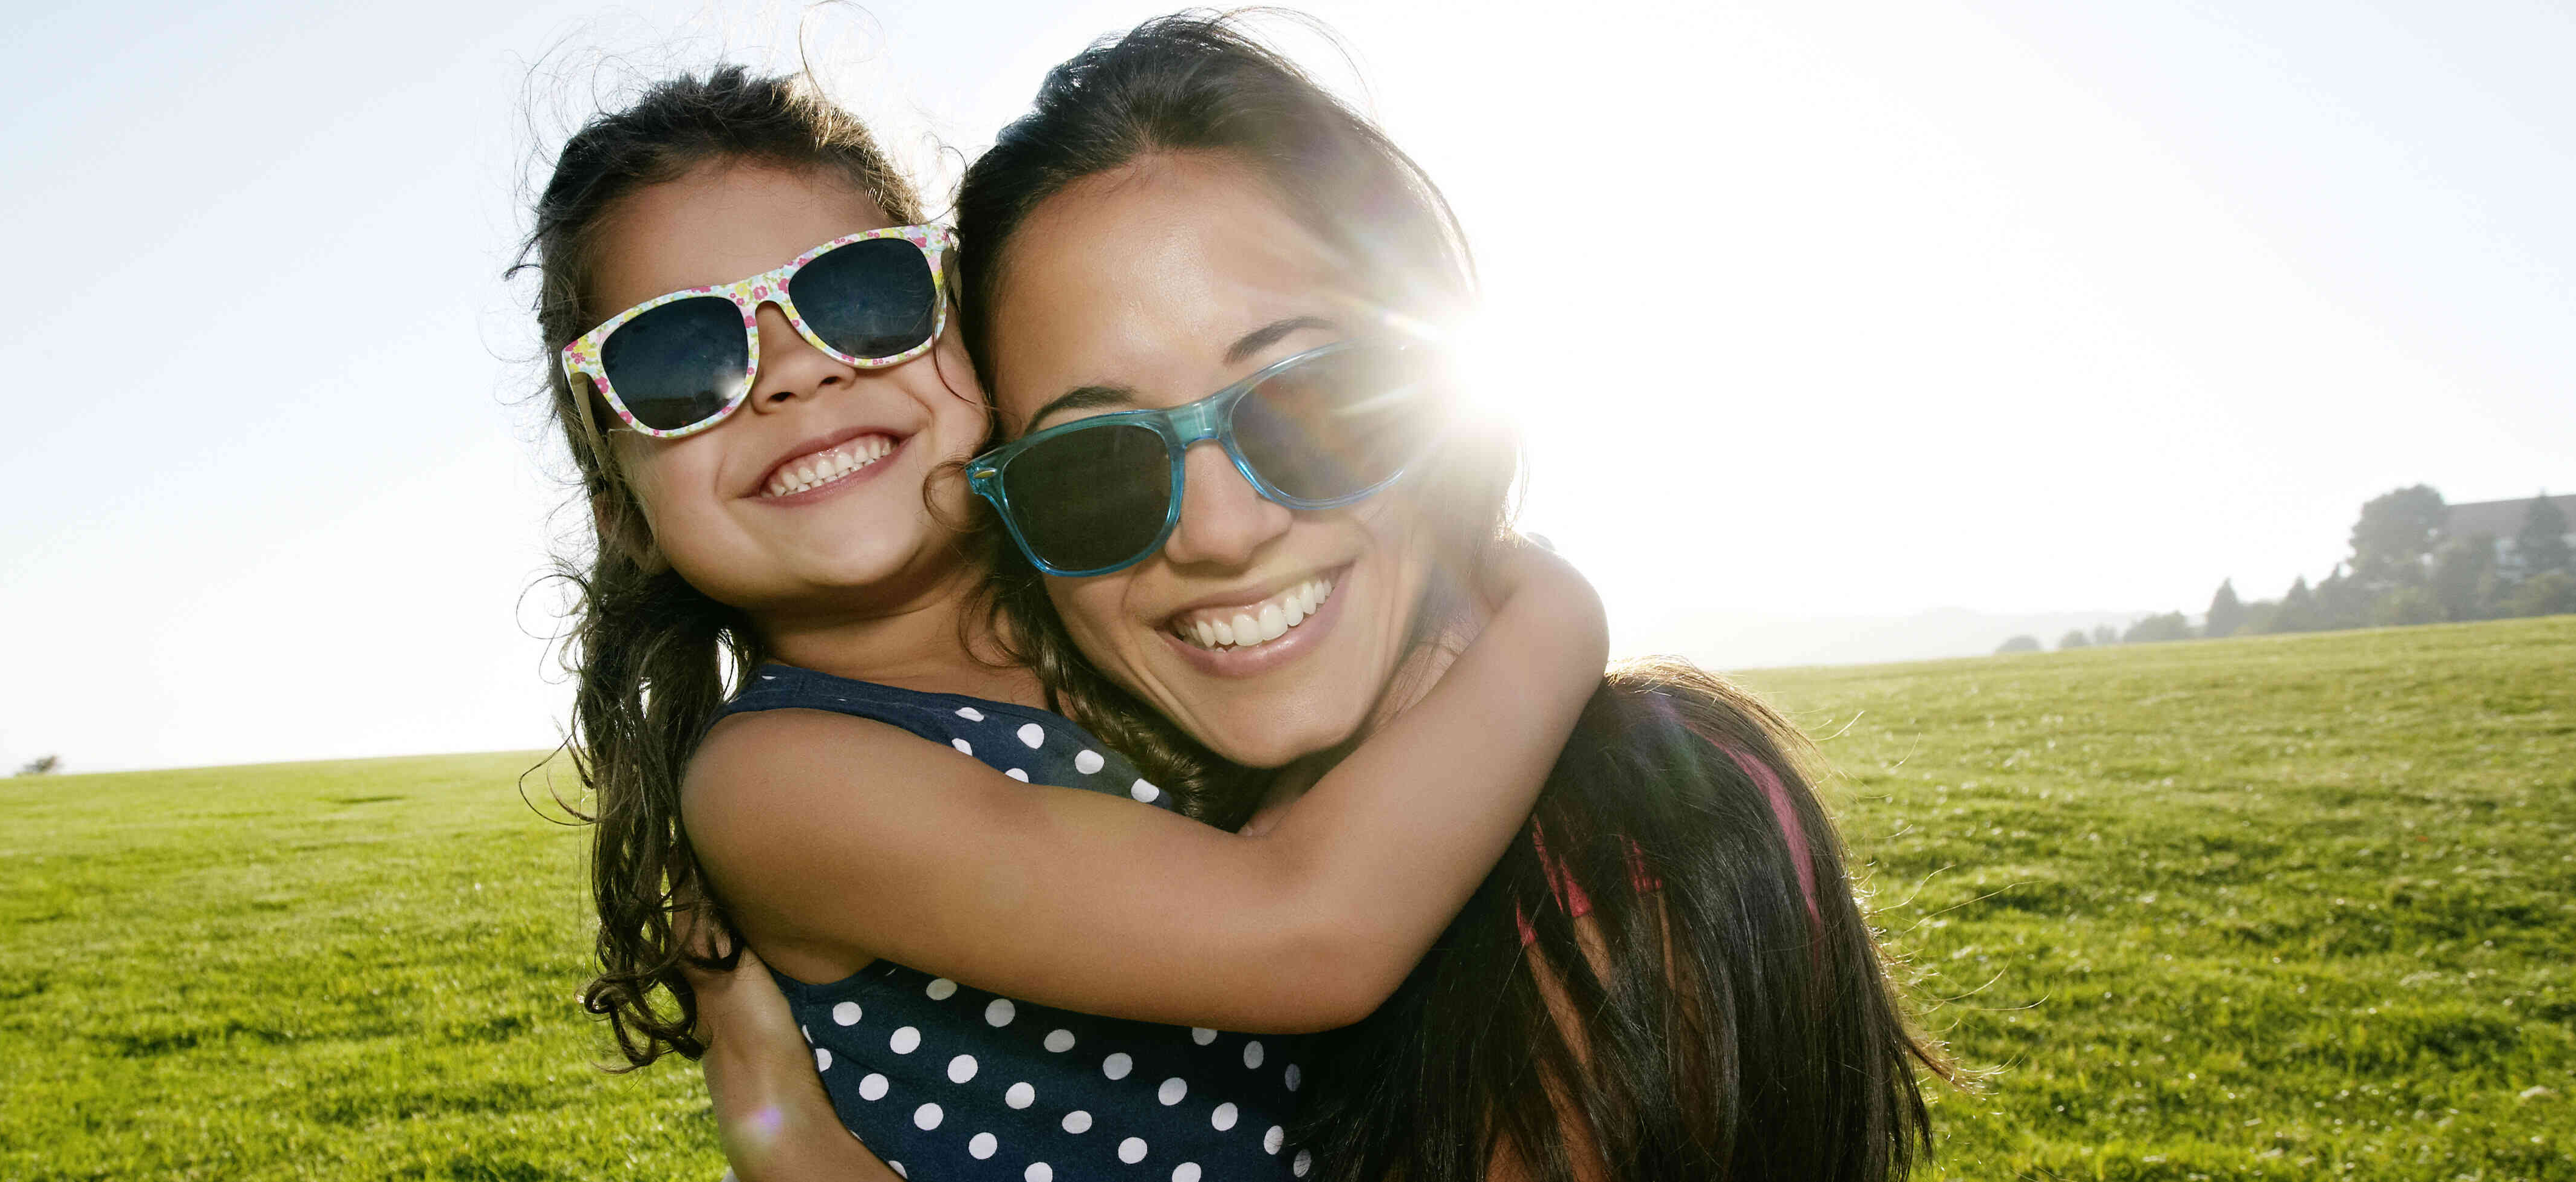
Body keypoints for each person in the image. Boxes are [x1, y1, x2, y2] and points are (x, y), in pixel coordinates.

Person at [695, 15, 1949, 1182]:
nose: (1225, 531)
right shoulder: (1147, 832)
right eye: (1097, 470)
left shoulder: (1633, 846)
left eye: (1310, 403)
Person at [520, 65, 1609, 1182]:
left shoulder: (1124, 608)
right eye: (677, 359)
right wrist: (1559, 610)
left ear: (980, 352)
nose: (793, 374)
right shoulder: (777, 780)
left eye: (860, 296)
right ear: (622, 511)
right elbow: (1307, 928)